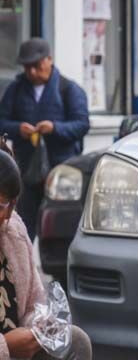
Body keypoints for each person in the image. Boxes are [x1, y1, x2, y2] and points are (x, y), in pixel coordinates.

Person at [0, 150, 92, 360]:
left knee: (76, 343)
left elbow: (33, 301)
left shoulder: (12, 232)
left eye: (9, 205)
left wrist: (38, 328)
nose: (5, 216)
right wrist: (6, 346)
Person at [0, 39, 90, 238]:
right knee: (22, 224)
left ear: (49, 60)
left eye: (36, 65)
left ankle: (58, 267)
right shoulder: (16, 89)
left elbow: (82, 124)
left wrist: (55, 128)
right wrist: (17, 129)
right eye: (27, 67)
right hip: (26, 171)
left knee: (61, 226)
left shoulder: (69, 89)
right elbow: (2, 121)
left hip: (61, 171)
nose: (31, 72)